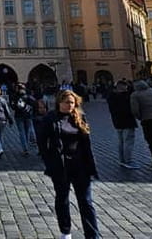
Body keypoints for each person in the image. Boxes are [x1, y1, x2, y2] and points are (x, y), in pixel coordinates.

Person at [38, 90, 100, 239]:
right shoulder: (49, 119)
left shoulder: (79, 116)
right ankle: (65, 232)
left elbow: (86, 143)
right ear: (59, 102)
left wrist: (90, 164)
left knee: (86, 201)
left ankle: (92, 235)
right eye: (66, 102)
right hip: (61, 166)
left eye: (72, 102)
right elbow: (42, 143)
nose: (69, 105)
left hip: (81, 165)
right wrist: (50, 163)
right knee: (62, 199)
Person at [106, 80, 139, 169]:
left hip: (117, 122)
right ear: (122, 87)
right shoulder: (125, 97)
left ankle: (122, 160)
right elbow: (129, 108)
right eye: (125, 86)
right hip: (127, 121)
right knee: (128, 142)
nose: (127, 88)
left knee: (121, 142)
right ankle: (128, 161)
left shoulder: (111, 96)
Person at [11, 84, 37, 156]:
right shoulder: (28, 96)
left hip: (19, 116)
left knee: (21, 132)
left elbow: (13, 106)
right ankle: (26, 146)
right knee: (27, 131)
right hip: (28, 116)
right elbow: (35, 103)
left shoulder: (15, 96)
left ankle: (25, 149)